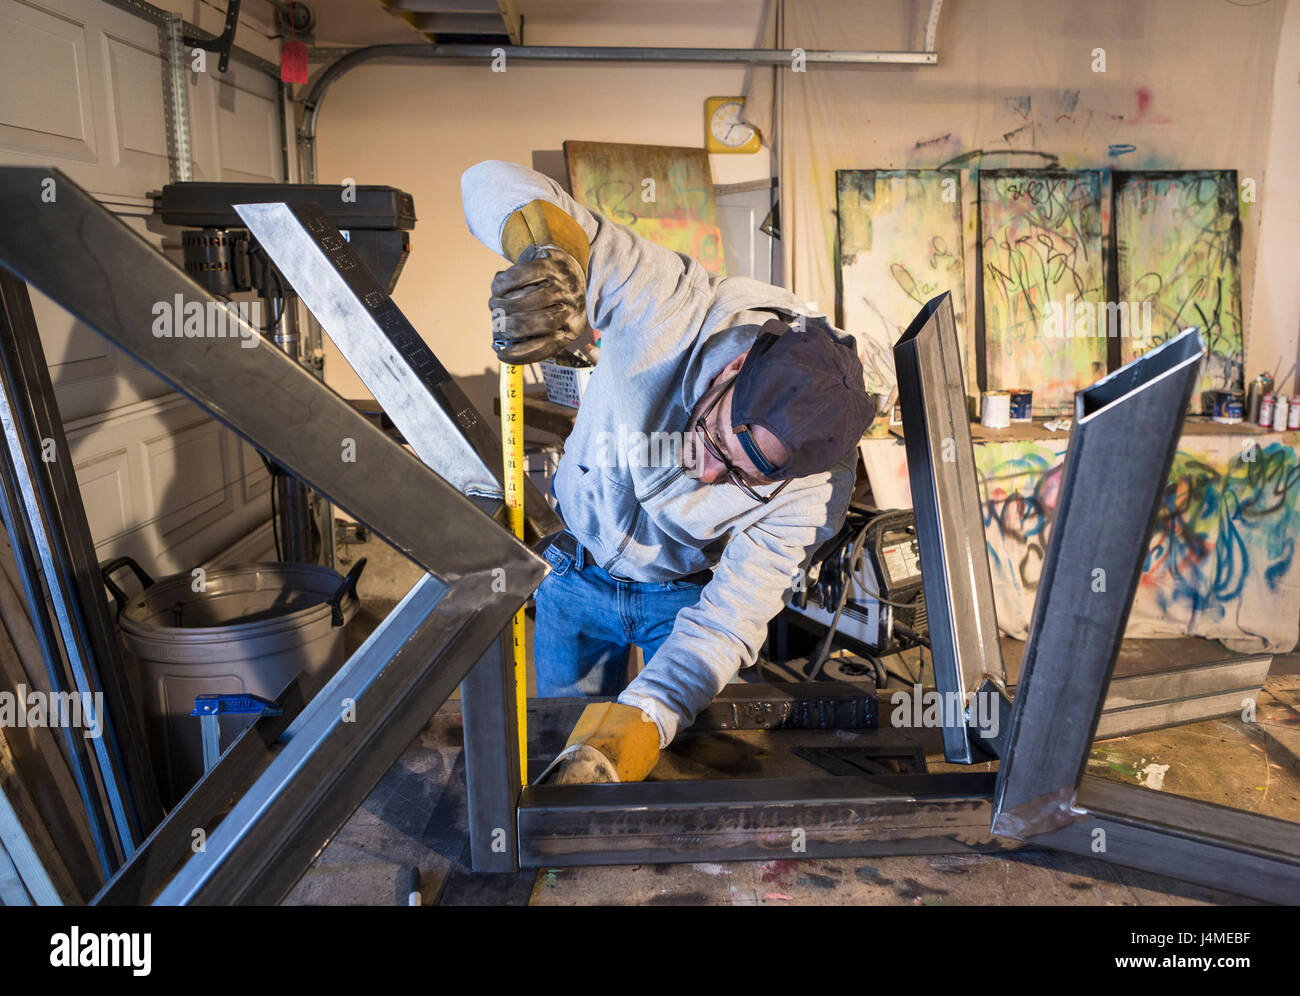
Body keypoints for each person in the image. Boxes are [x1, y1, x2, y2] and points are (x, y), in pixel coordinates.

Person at [461, 160, 876, 784]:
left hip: (683, 599)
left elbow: (728, 619)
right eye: (715, 437)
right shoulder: (668, 304)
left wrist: (642, 721)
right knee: (551, 746)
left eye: (741, 477)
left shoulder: (813, 492)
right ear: (732, 372)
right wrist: (548, 258)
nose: (708, 473)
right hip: (575, 574)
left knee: (680, 768)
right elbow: (486, 178)